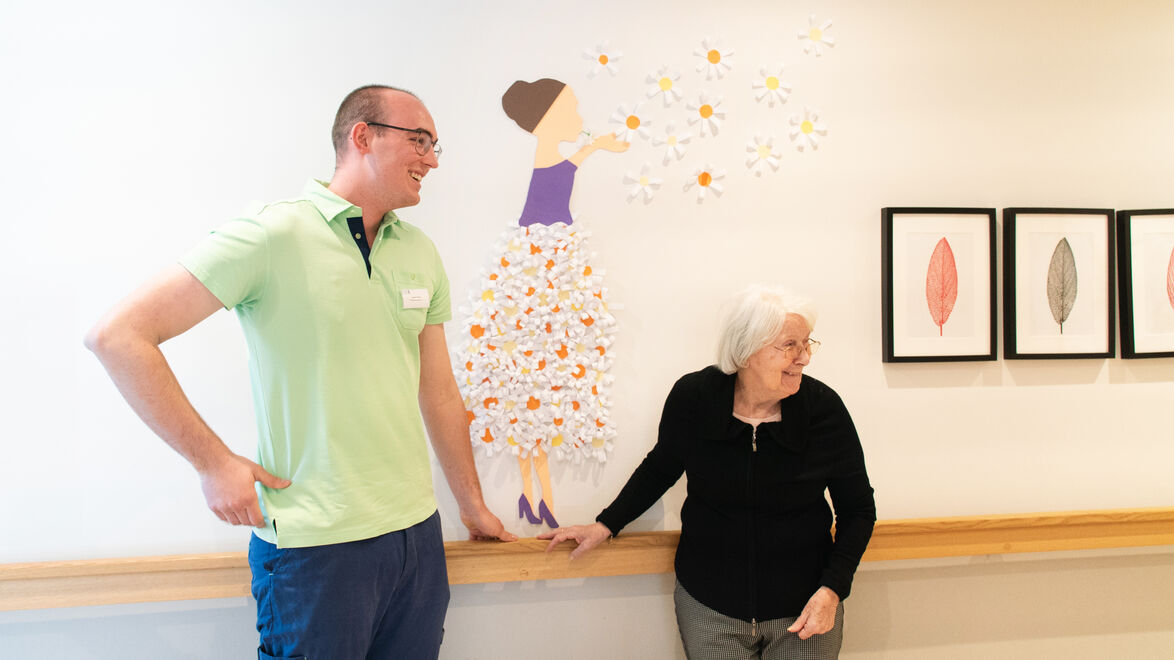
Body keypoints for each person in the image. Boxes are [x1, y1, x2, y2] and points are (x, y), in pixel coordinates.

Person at [85, 84, 515, 659]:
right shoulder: (271, 234)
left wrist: (471, 505)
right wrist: (213, 464)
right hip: (316, 549)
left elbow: (438, 393)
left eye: (435, 145)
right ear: (363, 136)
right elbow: (118, 336)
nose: (432, 160)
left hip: (416, 538)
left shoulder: (419, 251)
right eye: (420, 140)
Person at [540, 285, 876, 660]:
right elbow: (661, 468)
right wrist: (606, 524)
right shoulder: (695, 397)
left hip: (806, 608)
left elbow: (858, 510)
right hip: (710, 606)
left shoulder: (823, 409)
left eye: (807, 342)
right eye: (790, 346)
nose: (805, 358)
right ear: (746, 350)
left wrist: (832, 590)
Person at [456, 78, 627, 528]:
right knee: (532, 401)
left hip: (546, 277)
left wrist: (594, 148)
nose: (578, 117)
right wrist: (595, 148)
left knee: (537, 405)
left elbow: (564, 171)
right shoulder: (545, 160)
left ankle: (536, 499)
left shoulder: (549, 158)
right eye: (571, 109)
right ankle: (537, 498)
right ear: (549, 117)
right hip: (540, 275)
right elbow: (560, 176)